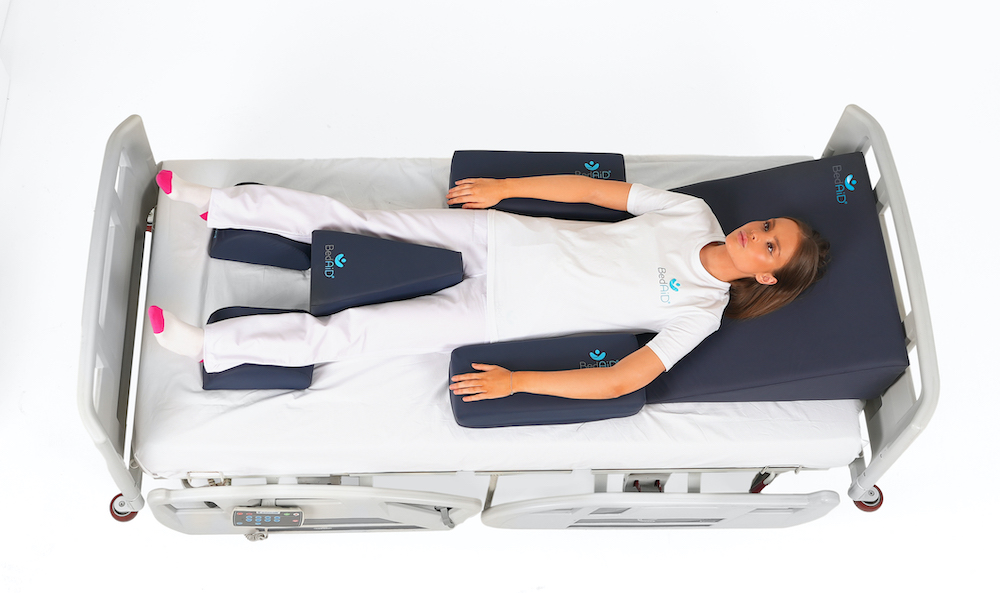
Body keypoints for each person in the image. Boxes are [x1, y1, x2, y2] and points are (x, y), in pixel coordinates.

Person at [149, 170, 829, 402]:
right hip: (497, 237)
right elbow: (597, 193)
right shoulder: (694, 214)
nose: (756, 233)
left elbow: (623, 379)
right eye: (768, 224)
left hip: (495, 311)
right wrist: (507, 188)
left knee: (354, 336)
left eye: (770, 246)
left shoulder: (703, 311)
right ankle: (221, 203)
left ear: (766, 274)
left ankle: (207, 343)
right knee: (356, 220)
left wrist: (519, 382)